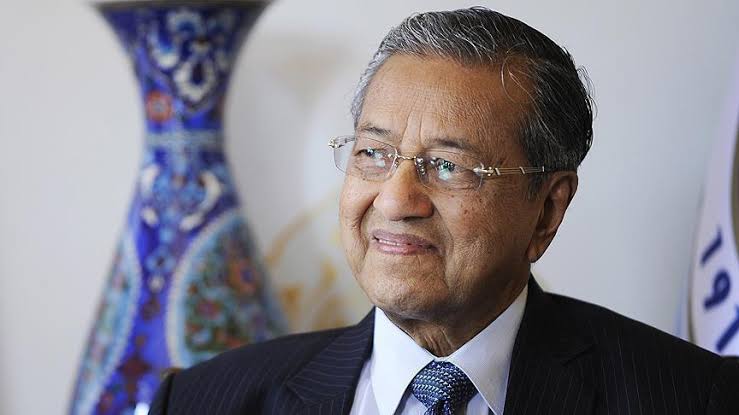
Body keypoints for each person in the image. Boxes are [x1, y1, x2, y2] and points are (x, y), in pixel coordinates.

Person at [149, 7, 739, 415]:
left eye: (449, 166)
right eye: (374, 154)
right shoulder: (206, 401)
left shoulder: (691, 397)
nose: (395, 200)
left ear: (547, 210)